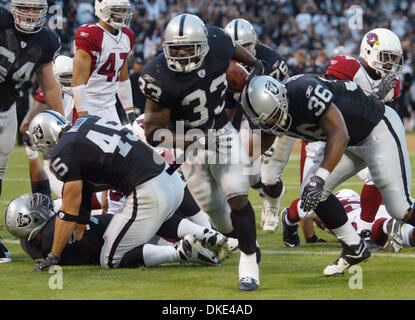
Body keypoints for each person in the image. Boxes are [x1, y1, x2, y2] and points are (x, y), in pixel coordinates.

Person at [240, 74, 414, 276]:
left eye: (276, 113)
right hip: (351, 142)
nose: (275, 121)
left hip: (376, 129)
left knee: (400, 208)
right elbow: (266, 137)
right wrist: (234, 163)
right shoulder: (268, 113)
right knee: (311, 193)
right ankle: (354, 247)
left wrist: (320, 176)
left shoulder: (305, 91)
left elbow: (340, 134)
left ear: (281, 96)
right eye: (269, 119)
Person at [140, 14, 265, 291]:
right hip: (190, 142)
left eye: (188, 48)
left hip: (220, 131)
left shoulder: (217, 41)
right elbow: (154, 133)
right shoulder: (158, 76)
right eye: (176, 49)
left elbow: (232, 47)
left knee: (236, 193)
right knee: (212, 207)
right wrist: (195, 138)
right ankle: (245, 240)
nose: (182, 55)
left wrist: (254, 64)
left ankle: (248, 261)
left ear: (205, 45)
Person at [27, 111, 228, 271]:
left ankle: (179, 252)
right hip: (170, 178)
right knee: (158, 221)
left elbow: (69, 210)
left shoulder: (63, 152)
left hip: (148, 189)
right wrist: (82, 221)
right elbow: (86, 186)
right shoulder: (86, 121)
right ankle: (208, 234)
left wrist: (53, 256)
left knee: (111, 258)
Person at [295, 28, 403, 246]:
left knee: (377, 175)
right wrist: (375, 95)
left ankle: (363, 231)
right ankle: (290, 219)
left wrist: (379, 97)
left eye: (394, 59)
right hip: (326, 141)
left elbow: (376, 118)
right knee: (308, 205)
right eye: (386, 57)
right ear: (370, 52)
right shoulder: (348, 67)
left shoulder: (393, 85)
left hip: (357, 142)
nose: (390, 63)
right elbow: (335, 105)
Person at [0, 0, 64, 261]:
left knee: (0, 173)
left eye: (36, 9)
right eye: (24, 7)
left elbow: (49, 86)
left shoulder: (47, 40)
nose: (30, 13)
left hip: (6, 109)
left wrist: (62, 122)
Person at [224, 18, 293, 232]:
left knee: (269, 177)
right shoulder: (225, 66)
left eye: (243, 47)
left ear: (253, 43)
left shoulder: (272, 63)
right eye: (234, 48)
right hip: (251, 118)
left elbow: (280, 111)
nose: (239, 52)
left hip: (281, 120)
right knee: (246, 171)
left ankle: (272, 205)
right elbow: (228, 108)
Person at [282, 189, 409, 253]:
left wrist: (310, 238)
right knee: (408, 236)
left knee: (356, 232)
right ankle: (389, 226)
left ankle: (387, 226)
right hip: (381, 208)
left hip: (358, 214)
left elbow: (305, 207)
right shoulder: (356, 199)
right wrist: (312, 238)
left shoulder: (331, 207)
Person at [72, 0, 135, 124]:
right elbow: (78, 82)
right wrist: (84, 117)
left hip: (110, 108)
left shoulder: (126, 35)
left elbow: (123, 78)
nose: (121, 14)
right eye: (116, 10)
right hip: (88, 105)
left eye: (123, 10)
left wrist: (130, 112)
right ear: (101, 10)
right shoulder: (91, 34)